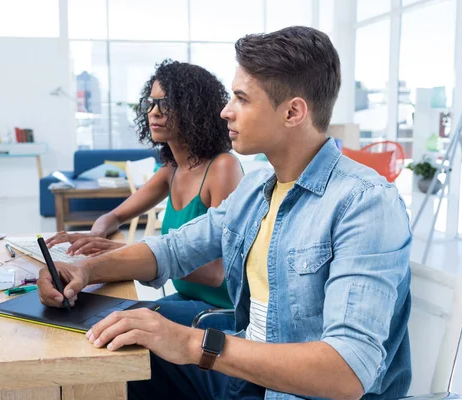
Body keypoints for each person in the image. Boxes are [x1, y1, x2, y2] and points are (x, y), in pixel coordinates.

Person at [38, 26, 412, 400]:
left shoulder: (364, 203)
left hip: (297, 392)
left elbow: (346, 373)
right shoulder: (256, 190)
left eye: (241, 99)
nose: (225, 111)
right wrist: (84, 271)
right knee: (120, 348)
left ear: (293, 112)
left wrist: (193, 343)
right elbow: (173, 249)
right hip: (252, 374)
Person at [46, 60, 243, 329]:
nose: (154, 112)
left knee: (105, 320)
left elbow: (216, 273)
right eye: (151, 103)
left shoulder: (223, 168)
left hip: (219, 313)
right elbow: (115, 216)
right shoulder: (170, 170)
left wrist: (135, 254)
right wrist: (95, 234)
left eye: (167, 104)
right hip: (186, 300)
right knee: (90, 309)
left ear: (195, 110)